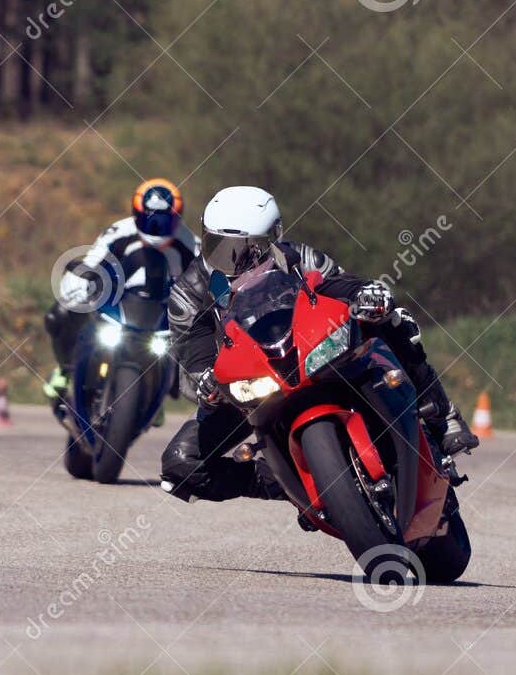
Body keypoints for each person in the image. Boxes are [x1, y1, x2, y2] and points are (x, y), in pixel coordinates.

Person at [160, 185, 477, 503]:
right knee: (180, 463)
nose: (232, 260)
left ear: (273, 239)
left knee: (394, 319)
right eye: (219, 245)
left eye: (248, 248)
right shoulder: (189, 290)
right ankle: (293, 486)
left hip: (315, 353)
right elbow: (191, 345)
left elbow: (339, 285)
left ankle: (441, 415)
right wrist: (206, 378)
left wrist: (367, 292)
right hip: (249, 387)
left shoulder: (301, 258)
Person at [44, 178, 197, 406]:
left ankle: (156, 392)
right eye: (150, 220)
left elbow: (204, 279)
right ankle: (66, 371)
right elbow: (93, 260)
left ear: (177, 218)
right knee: (60, 313)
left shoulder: (191, 245)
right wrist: (84, 279)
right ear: (137, 214)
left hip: (164, 311)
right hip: (119, 300)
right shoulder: (118, 232)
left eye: (165, 221)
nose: (156, 228)